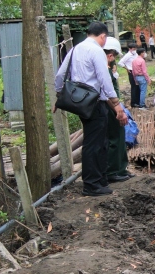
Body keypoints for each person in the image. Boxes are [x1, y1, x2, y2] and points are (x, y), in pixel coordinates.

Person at [54, 21, 128, 196]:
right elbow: (104, 78)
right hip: (95, 102)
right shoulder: (96, 50)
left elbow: (59, 76)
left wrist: (59, 96)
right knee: (94, 144)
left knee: (98, 142)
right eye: (105, 39)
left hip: (81, 102)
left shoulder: (74, 50)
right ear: (102, 36)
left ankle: (100, 180)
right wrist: (116, 104)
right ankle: (91, 185)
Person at [102, 37, 134, 183]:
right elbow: (107, 93)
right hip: (110, 107)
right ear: (110, 54)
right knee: (114, 138)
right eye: (113, 55)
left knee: (121, 136)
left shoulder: (109, 68)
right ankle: (112, 171)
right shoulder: (103, 69)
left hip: (114, 106)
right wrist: (117, 109)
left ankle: (121, 168)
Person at [120, 43, 138, 108]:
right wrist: (126, 68)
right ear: (130, 49)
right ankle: (133, 103)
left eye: (135, 49)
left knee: (138, 87)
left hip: (137, 71)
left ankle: (137, 101)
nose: (134, 50)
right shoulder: (128, 55)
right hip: (131, 71)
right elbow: (120, 62)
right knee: (134, 87)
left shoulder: (135, 54)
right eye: (133, 49)